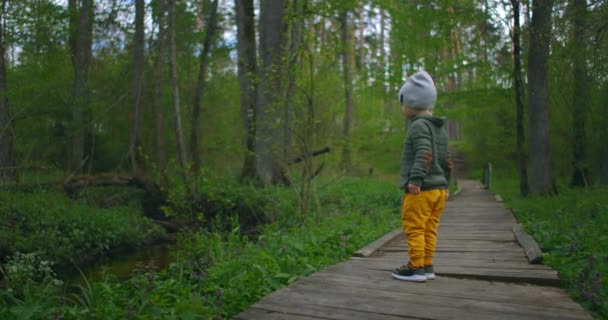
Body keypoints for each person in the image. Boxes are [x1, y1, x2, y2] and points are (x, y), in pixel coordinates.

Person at [392, 70, 452, 282]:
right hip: (438, 190)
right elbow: (447, 158)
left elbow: (424, 152)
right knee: (429, 228)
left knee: (415, 227)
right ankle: (427, 265)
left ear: (412, 103)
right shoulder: (439, 127)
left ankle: (415, 267)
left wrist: (415, 179)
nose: (402, 108)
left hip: (422, 189)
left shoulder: (418, 126)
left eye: (403, 102)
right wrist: (446, 184)